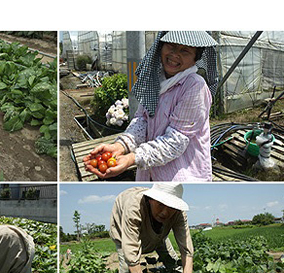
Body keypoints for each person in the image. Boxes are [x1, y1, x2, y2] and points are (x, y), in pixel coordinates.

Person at [84, 31, 219, 181]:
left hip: (180, 177)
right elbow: (142, 119)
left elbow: (176, 140)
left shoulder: (194, 86)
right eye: (171, 46)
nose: (175, 54)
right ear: (161, 47)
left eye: (185, 51)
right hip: (151, 172)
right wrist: (122, 146)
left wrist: (132, 158)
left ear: (196, 58)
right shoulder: (155, 78)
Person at [110, 183, 197, 273]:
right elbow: (131, 257)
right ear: (150, 199)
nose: (165, 212)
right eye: (160, 205)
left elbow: (186, 249)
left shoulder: (178, 213)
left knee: (172, 262)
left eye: (171, 208)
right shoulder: (134, 206)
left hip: (159, 234)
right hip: (126, 234)